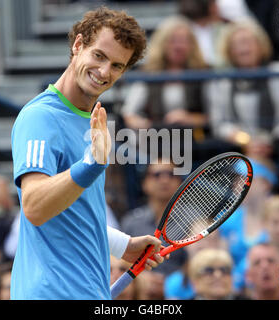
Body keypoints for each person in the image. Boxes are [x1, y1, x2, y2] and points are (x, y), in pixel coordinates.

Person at [10, 7, 166, 300]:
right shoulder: (39, 117)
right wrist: (91, 164)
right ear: (78, 45)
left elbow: (71, 214)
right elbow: (34, 207)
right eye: (99, 56)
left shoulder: (90, 119)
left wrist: (122, 245)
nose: (105, 71)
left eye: (118, 66)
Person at [205, 20, 279, 147]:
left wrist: (270, 141)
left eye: (248, 41)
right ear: (228, 51)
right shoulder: (220, 82)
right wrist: (246, 141)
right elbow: (219, 124)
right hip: (237, 148)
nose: (243, 47)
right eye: (236, 44)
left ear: (261, 45)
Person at [121, 15, 207, 131]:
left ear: (192, 45)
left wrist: (189, 118)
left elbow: (216, 117)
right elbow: (130, 113)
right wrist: (146, 125)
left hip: (196, 139)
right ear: (162, 43)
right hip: (158, 138)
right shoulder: (149, 73)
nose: (178, 46)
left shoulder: (203, 72)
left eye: (184, 41)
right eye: (173, 41)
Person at [121, 161, 186, 276]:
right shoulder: (130, 221)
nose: (165, 180)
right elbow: (120, 260)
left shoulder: (194, 220)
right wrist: (142, 281)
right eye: (157, 175)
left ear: (179, 182)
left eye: (171, 174)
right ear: (144, 183)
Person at [219, 157, 276, 265]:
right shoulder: (226, 220)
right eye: (236, 180)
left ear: (266, 184)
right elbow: (224, 262)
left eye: (246, 179)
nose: (238, 185)